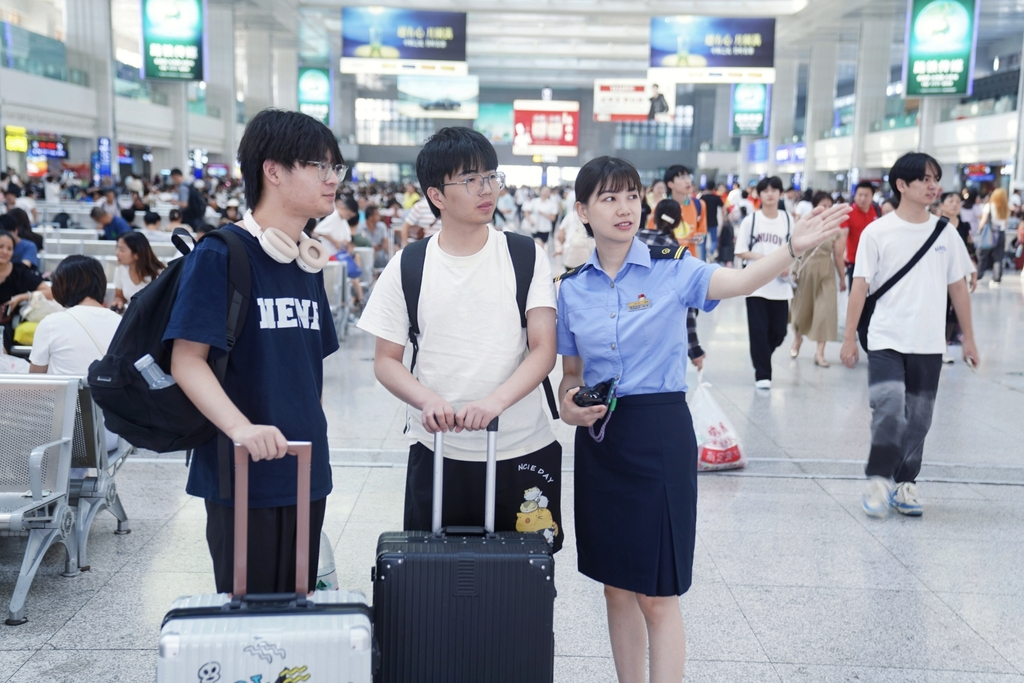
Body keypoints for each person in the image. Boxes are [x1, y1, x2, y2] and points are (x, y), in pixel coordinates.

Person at [556, 156, 849, 683]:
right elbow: (569, 374)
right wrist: (570, 402)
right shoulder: (573, 288)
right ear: (582, 210)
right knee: (615, 586)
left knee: (657, 593)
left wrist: (790, 248)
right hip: (602, 441)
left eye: (631, 195)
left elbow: (738, 282)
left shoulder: (673, 266)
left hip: (659, 433)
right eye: (609, 198)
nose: (624, 208)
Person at [357, 126, 563, 551]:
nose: (486, 189)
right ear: (436, 195)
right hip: (438, 451)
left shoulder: (524, 255)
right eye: (470, 180)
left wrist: (495, 403)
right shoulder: (408, 265)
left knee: (523, 583)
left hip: (522, 447)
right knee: (432, 585)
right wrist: (426, 400)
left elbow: (544, 349)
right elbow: (386, 360)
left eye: (490, 176)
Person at [166, 108, 343, 595]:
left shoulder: (306, 262)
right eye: (320, 167)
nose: (332, 180)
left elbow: (309, 371)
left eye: (336, 169)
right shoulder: (222, 254)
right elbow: (187, 359)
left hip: (306, 468)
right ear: (274, 171)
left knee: (298, 619)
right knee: (251, 629)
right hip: (241, 471)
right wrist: (241, 428)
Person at [840, 152, 978, 518]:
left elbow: (959, 289)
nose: (934, 186)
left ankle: (904, 484)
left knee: (919, 418)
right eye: (925, 179)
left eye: (936, 178)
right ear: (902, 185)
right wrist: (849, 336)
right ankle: (878, 478)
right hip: (885, 338)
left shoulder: (946, 233)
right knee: (888, 407)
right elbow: (860, 287)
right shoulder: (877, 231)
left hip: (928, 342)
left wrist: (969, 338)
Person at [735, 176, 794, 389]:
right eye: (765, 190)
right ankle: (763, 374)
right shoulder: (751, 221)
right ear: (758, 195)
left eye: (774, 189)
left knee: (779, 332)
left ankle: (763, 357)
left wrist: (788, 264)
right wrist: (764, 259)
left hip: (780, 285)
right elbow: (740, 251)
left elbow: (795, 249)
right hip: (756, 284)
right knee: (758, 331)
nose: (770, 193)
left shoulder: (788, 220)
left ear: (780, 194)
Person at [637, 198, 707, 371]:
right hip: (662, 325)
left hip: (632, 320)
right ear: (678, 222)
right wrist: (695, 349)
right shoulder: (676, 253)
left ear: (655, 217)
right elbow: (686, 304)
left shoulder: (634, 240)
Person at [29, 255, 122, 375]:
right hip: (107, 393)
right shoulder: (121, 322)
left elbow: (35, 380)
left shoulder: (50, 324)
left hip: (65, 394)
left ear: (62, 286)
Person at [789, 191, 847, 367]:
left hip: (826, 272)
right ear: (815, 206)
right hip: (806, 270)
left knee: (825, 312)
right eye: (824, 205)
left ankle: (819, 353)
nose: (827, 209)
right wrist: (793, 270)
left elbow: (838, 256)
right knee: (801, 310)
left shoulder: (836, 229)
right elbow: (795, 250)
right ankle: (797, 339)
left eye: (830, 206)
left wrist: (842, 279)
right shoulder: (805, 226)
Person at [0, 229, 53, 352]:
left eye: (9, 248)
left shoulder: (19, 272)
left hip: (5, 326)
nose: (4, 252)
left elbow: (49, 292)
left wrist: (22, 297)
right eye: (1, 246)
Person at [938, 192, 977, 356]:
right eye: (950, 201)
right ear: (942, 205)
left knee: (953, 313)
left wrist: (974, 274)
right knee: (940, 310)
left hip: (957, 275)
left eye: (957, 201)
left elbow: (970, 251)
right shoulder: (936, 225)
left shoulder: (964, 226)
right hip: (938, 276)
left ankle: (945, 345)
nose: (955, 204)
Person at [842, 181, 880, 291]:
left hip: (875, 261)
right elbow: (843, 236)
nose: (862, 198)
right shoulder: (848, 212)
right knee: (856, 294)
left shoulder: (877, 211)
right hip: (855, 261)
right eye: (860, 195)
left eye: (866, 195)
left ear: (872, 196)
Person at [113, 232, 164, 310]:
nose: (116, 253)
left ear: (137, 254)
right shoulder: (121, 269)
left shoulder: (159, 275)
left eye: (122, 250)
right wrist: (119, 301)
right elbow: (119, 296)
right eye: (117, 248)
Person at [664, 165, 707, 259]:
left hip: (690, 260)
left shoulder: (699, 205)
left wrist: (699, 238)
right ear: (670, 184)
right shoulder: (661, 208)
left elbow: (702, 231)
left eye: (688, 176)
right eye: (682, 177)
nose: (688, 181)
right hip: (667, 261)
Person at [975, 187, 1010, 287]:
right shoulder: (1006, 207)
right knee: (998, 257)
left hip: (990, 233)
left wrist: (978, 230)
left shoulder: (989, 206)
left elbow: (984, 220)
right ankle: (996, 279)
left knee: (982, 255)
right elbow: (1005, 224)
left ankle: (979, 276)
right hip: (1001, 233)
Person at [698, 186, 724, 260]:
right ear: (713, 189)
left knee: (703, 242)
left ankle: (703, 259)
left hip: (703, 223)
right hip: (713, 222)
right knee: (714, 240)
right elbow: (723, 207)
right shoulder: (716, 198)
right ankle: (710, 252)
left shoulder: (702, 197)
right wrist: (724, 217)